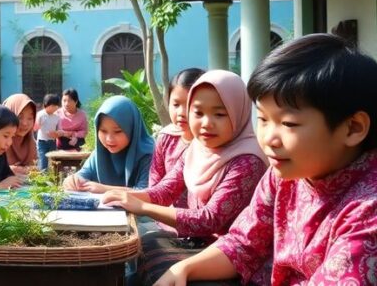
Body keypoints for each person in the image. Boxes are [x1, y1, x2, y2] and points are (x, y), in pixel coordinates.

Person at [154, 34, 377, 286]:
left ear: (353, 128)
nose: (269, 138)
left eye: (289, 123)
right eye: (262, 119)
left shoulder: (368, 210)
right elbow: (243, 243)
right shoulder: (284, 174)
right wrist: (184, 270)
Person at [103, 70, 267, 285]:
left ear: (239, 111)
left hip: (228, 255)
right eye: (198, 113)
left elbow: (210, 220)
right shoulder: (198, 148)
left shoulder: (247, 160)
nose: (207, 123)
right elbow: (165, 189)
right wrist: (123, 197)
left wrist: (141, 207)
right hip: (200, 242)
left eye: (219, 114)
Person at [62, 96, 154, 192]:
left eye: (118, 131)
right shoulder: (99, 154)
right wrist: (73, 181)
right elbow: (82, 175)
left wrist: (105, 189)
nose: (109, 139)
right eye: (103, 131)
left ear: (132, 129)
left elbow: (147, 193)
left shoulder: (149, 155)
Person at [149, 68, 205, 206]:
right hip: (163, 216)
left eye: (189, 105)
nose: (181, 112)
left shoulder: (209, 143)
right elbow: (155, 183)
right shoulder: (166, 138)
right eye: (176, 104)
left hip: (198, 221)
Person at [2, 93, 38, 175]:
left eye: (30, 118)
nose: (25, 123)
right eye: (19, 117)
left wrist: (17, 169)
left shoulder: (30, 142)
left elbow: (35, 170)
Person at [35, 93, 61, 171]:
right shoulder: (40, 114)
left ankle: (54, 177)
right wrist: (39, 125)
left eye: (56, 106)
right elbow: (35, 127)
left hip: (52, 141)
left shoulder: (57, 116)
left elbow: (59, 130)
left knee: (54, 161)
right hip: (42, 142)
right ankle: (42, 178)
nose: (55, 108)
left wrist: (56, 134)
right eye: (53, 106)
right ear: (47, 105)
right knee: (43, 160)